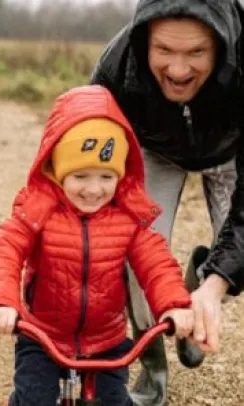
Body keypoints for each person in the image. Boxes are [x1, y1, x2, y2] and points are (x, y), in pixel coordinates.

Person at [0, 85, 194, 406]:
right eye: (80, 176)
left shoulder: (127, 218)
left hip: (107, 338)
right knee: (32, 399)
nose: (94, 190)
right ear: (57, 170)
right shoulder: (39, 209)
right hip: (43, 335)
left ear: (120, 176)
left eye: (106, 177)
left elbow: (156, 261)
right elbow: (5, 247)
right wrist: (0, 301)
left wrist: (174, 304)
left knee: (114, 401)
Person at [90, 0, 244, 404]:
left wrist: (213, 284)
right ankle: (152, 362)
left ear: (221, 43)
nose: (177, 71)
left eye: (196, 52)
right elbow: (87, 155)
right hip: (154, 149)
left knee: (233, 264)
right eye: (164, 51)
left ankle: (197, 284)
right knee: (136, 258)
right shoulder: (115, 68)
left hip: (232, 151)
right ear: (145, 40)